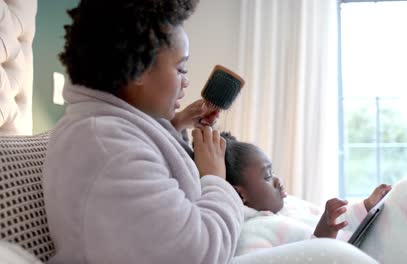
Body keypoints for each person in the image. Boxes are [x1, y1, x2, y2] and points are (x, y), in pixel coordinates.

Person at [42, 1, 377, 264]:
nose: (186, 81)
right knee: (337, 257)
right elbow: (197, 254)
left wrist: (176, 125)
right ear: (139, 70)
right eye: (181, 67)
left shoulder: (106, 131)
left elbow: (145, 174)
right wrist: (215, 179)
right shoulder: (107, 147)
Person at [220, 132, 407, 264]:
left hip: (359, 248)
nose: (278, 180)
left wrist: (366, 206)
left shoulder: (289, 206)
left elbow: (342, 223)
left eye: (273, 172)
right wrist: (320, 236)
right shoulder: (250, 234)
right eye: (267, 177)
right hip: (349, 258)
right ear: (241, 194)